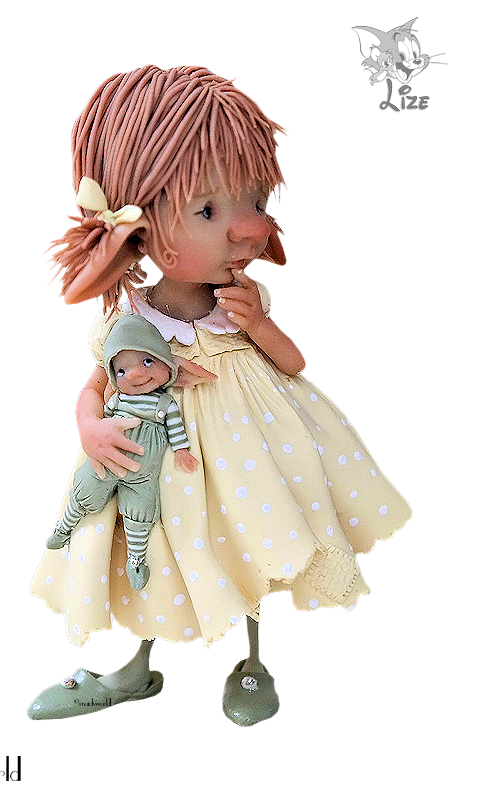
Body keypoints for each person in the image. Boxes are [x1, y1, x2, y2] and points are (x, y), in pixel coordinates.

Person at [28, 65, 412, 725]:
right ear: (135, 226)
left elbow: (293, 365)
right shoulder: (130, 318)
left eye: (257, 203)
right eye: (207, 210)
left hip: (248, 457)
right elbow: (96, 386)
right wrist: (91, 427)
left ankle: (252, 659)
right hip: (158, 460)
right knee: (155, 552)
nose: (249, 229)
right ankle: (135, 666)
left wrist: (258, 324)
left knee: (252, 541)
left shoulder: (245, 300)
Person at [45, 313, 199, 591]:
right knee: (87, 488)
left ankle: (136, 560)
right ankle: (64, 527)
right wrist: (95, 428)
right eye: (122, 372)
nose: (136, 374)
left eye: (147, 361)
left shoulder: (165, 404)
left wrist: (182, 450)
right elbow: (103, 412)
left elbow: (176, 427)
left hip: (143, 473)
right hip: (108, 458)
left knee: (140, 511)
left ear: (166, 363)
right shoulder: (118, 400)